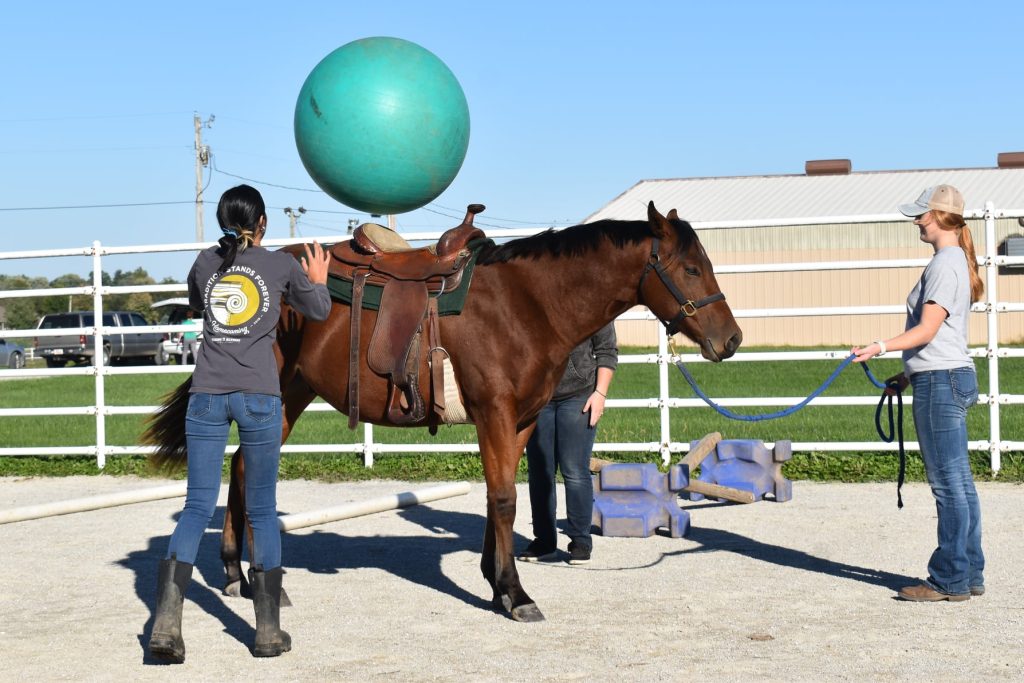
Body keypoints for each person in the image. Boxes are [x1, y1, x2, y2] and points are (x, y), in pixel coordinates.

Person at [148, 184, 331, 662]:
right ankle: (267, 632)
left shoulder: (204, 263)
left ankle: (166, 624)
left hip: (206, 396)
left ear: (221, 222)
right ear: (263, 223)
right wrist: (317, 279)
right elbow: (319, 310)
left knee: (195, 508)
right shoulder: (280, 266)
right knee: (263, 512)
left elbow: (197, 303)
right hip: (259, 397)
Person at [852, 184, 985, 602]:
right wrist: (907, 374)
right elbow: (941, 337)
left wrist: (879, 346)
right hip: (948, 375)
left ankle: (949, 579)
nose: (916, 222)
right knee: (960, 482)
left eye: (921, 215)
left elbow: (927, 330)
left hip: (940, 384)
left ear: (940, 217)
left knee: (947, 485)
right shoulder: (954, 261)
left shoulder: (945, 264)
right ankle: (969, 571)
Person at [517, 322, 618, 565]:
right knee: (540, 472)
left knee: (574, 470)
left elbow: (607, 350)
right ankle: (544, 541)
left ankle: (580, 541)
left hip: (579, 394)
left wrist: (600, 394)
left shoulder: (592, 303)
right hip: (537, 396)